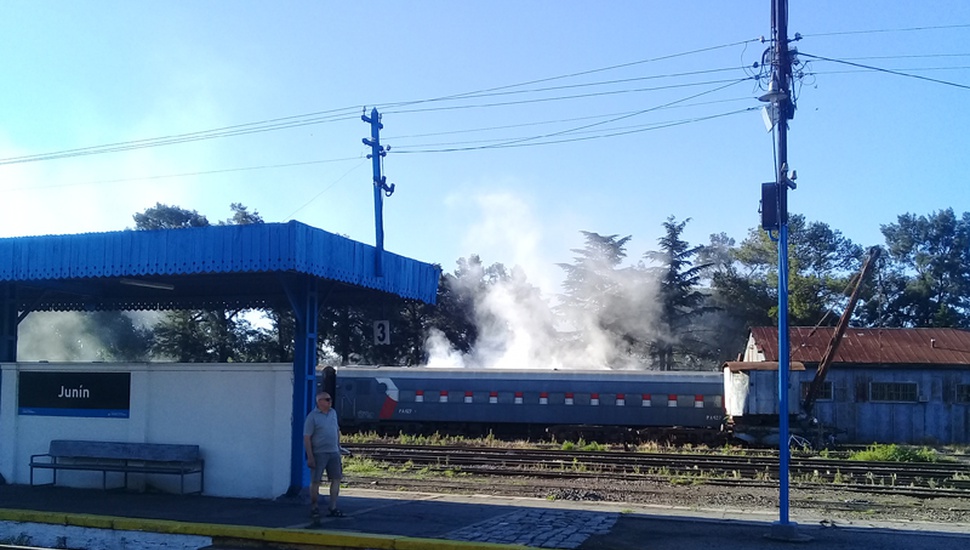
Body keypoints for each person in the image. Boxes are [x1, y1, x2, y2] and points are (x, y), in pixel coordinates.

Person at [304, 391, 344, 518]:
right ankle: (314, 507)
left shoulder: (333, 413)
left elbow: (336, 430)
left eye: (330, 399)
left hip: (334, 452)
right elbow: (307, 437)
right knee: (316, 480)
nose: (330, 401)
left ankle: (333, 506)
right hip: (319, 453)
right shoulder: (312, 417)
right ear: (319, 401)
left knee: (336, 479)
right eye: (327, 399)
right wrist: (310, 456)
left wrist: (338, 446)